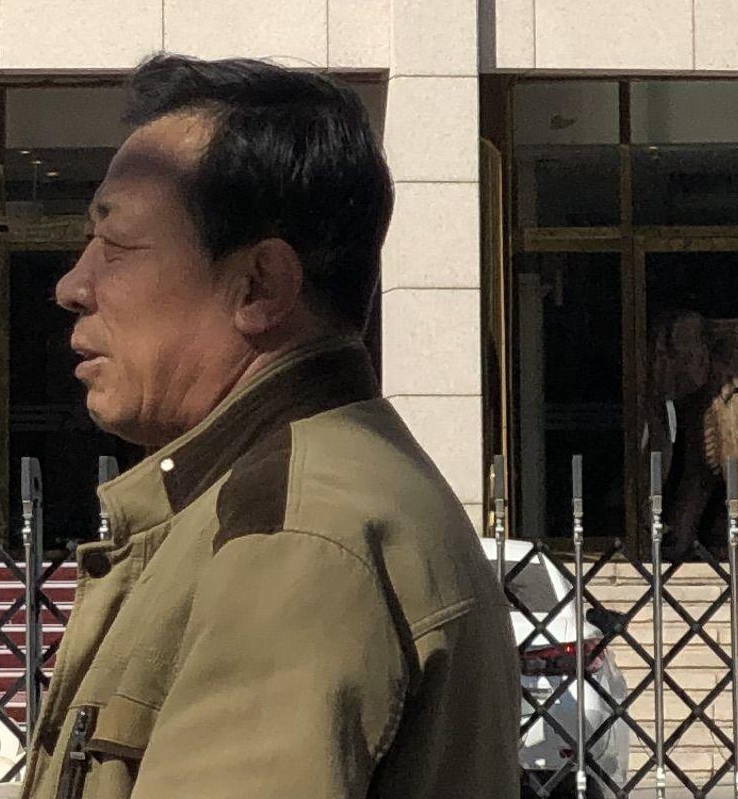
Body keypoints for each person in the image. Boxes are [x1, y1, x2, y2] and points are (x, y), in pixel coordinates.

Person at [25, 53, 515, 796]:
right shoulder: (283, 496)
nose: (73, 285)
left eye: (115, 246)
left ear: (259, 286)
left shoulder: (296, 536)